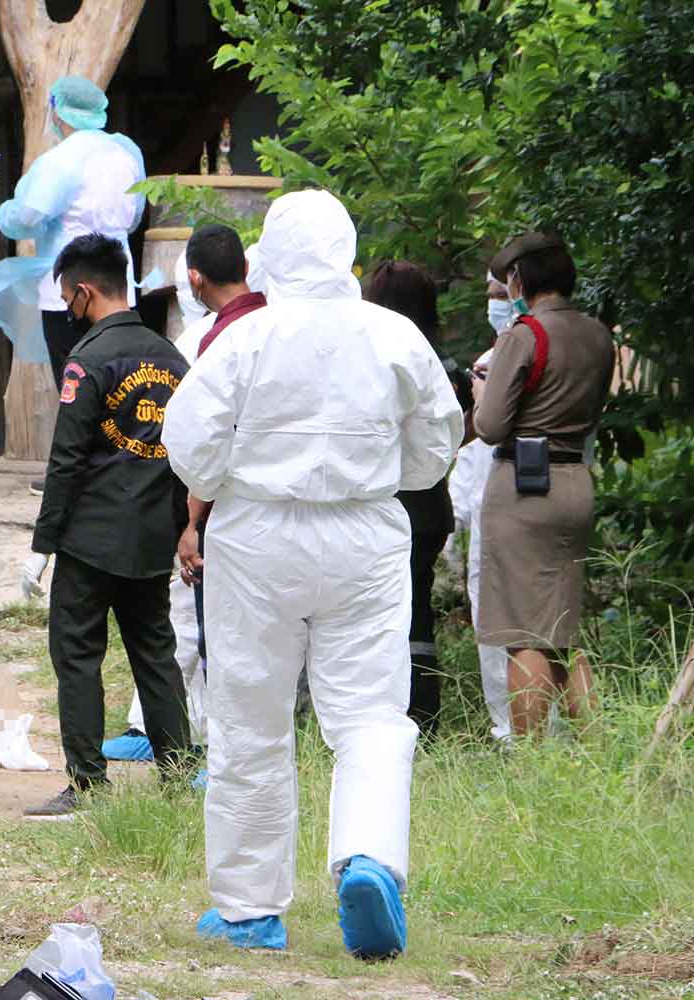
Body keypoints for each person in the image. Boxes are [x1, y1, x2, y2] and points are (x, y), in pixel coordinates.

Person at [163, 190, 461, 957]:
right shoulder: (392, 335)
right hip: (366, 529)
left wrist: (235, 483)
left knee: (250, 721)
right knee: (368, 714)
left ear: (274, 257)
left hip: (258, 535)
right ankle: (368, 859)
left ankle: (249, 909)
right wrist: (379, 473)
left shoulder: (244, 338)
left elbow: (190, 442)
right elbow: (436, 446)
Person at [18, 234, 195, 818]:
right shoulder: (174, 359)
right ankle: (178, 777)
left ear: (84, 292)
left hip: (90, 540)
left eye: (68, 297)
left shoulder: (87, 361)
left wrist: (43, 546)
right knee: (155, 655)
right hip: (151, 539)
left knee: (77, 656)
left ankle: (89, 786)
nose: (67, 308)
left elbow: (66, 460)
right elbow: (188, 454)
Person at [0, 75, 146, 493]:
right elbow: (137, 212)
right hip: (119, 281)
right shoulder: (126, 151)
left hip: (70, 288)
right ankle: (115, 465)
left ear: (57, 111)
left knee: (75, 381)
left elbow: (28, 216)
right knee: (118, 377)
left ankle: (74, 474)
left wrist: (3, 213)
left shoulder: (61, 159)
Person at [108, 224, 263, 762]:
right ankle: (168, 729)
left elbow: (199, 442)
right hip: (273, 504)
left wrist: (190, 521)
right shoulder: (280, 327)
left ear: (194, 279)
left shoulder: (204, 341)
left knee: (203, 626)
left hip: (214, 503)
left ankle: (199, 742)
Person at [474, 232, 615, 736]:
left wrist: (481, 387)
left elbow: (490, 425)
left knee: (522, 632)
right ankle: (597, 747)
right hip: (575, 480)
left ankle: (530, 762)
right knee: (561, 630)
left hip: (523, 487)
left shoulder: (524, 335)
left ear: (522, 279)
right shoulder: (599, 335)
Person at [363, 260, 456, 738]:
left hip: (388, 507)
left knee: (385, 613)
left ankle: (398, 714)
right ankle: (424, 711)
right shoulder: (441, 363)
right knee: (417, 606)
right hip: (431, 508)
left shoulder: (373, 361)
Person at [451, 281, 517, 742]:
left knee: (514, 630)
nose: (494, 300)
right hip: (495, 493)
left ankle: (518, 730)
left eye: (500, 290)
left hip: (515, 495)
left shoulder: (520, 350)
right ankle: (513, 730)